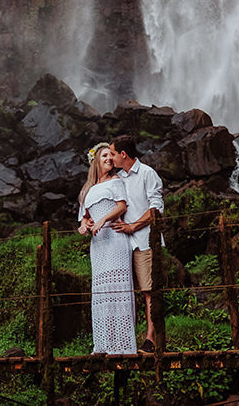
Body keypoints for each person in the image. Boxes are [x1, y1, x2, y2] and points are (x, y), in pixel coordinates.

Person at [77, 142, 137, 355]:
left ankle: (122, 345)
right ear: (95, 161)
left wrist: (103, 220)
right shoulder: (88, 189)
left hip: (115, 240)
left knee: (118, 287)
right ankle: (103, 344)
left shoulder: (116, 181)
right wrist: (85, 226)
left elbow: (121, 206)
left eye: (111, 157)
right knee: (102, 291)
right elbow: (83, 219)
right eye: (104, 156)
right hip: (98, 245)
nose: (109, 160)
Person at [108, 134, 164, 353]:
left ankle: (151, 339)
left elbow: (156, 208)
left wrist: (134, 226)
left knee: (148, 291)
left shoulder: (148, 174)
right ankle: (123, 340)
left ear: (123, 154)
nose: (111, 158)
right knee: (124, 291)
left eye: (113, 154)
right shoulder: (119, 178)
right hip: (121, 244)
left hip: (143, 241)